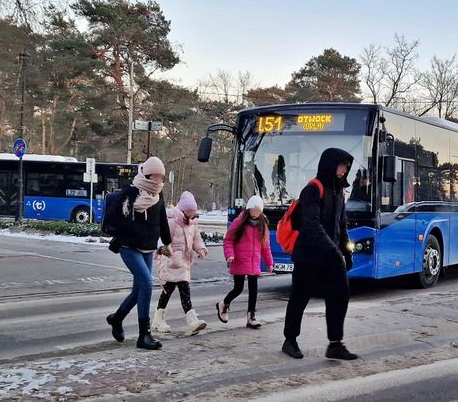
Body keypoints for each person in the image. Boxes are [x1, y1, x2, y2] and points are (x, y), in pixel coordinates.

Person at [282, 148, 358, 361]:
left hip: (330, 257)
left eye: (346, 167)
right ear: (330, 165)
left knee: (340, 296)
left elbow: (342, 226)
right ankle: (290, 340)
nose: (345, 170)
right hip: (308, 256)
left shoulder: (339, 192)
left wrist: (347, 251)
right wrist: (333, 250)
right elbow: (312, 225)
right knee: (300, 297)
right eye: (342, 165)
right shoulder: (313, 190)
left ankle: (335, 344)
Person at [105, 157, 171, 350]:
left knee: (138, 291)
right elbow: (116, 218)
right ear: (147, 174)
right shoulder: (131, 192)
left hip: (148, 248)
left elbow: (162, 220)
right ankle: (144, 335)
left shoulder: (158, 194)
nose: (158, 180)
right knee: (147, 284)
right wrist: (125, 233)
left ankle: (116, 319)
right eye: (156, 176)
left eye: (161, 177)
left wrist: (167, 242)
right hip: (129, 247)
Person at [153, 191, 209, 336]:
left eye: (193, 213)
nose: (191, 216)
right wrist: (161, 249)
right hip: (171, 261)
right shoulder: (172, 221)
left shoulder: (192, 223)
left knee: (169, 291)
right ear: (183, 211)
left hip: (183, 262)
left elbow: (196, 239)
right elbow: (162, 238)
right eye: (189, 213)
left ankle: (158, 319)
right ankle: (191, 321)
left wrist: (201, 249)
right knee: (179, 290)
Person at [218, 195, 273, 329]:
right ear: (248, 209)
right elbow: (228, 240)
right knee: (238, 288)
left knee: (254, 289)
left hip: (254, 262)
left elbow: (265, 246)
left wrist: (269, 262)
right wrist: (230, 255)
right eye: (253, 210)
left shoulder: (262, 224)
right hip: (240, 260)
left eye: (258, 211)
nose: (255, 214)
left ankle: (251, 317)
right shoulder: (239, 222)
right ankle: (224, 303)